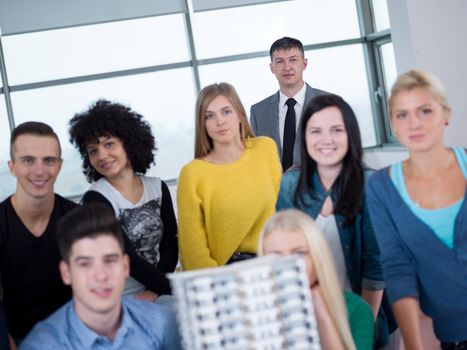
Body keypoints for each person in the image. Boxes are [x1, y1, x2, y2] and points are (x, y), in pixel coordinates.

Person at [276, 94, 394, 347]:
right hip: (306, 319)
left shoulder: (371, 185)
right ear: (304, 138)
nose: (326, 140)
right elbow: (279, 262)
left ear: (350, 134)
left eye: (336, 130)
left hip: (361, 312)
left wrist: (363, 327)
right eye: (315, 131)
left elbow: (375, 268)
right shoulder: (289, 185)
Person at [366, 70, 467, 349]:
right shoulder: (381, 187)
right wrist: (413, 344)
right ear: (394, 126)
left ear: (445, 114)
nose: (414, 123)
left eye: (425, 111)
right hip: (454, 337)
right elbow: (398, 268)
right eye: (402, 115)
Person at [20, 203, 182, 350]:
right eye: (85, 264)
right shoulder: (41, 345)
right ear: (67, 273)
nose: (100, 276)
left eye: (110, 260)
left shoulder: (161, 322)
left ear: (125, 266)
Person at [69, 100, 177, 298]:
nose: (102, 155)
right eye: (93, 150)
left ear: (129, 142)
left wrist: (157, 290)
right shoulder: (96, 199)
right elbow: (128, 258)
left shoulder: (157, 187)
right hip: (120, 298)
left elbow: (170, 244)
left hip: (157, 290)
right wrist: (174, 290)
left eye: (109, 144)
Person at [177, 82, 281, 270]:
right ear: (202, 124)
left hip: (274, 262)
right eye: (209, 116)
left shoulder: (265, 148)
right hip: (225, 274)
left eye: (226, 111)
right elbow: (192, 251)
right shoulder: (192, 174)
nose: (220, 122)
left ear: (240, 114)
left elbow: (282, 211)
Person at [0, 122, 76, 342]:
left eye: (49, 161)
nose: (39, 171)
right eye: (28, 160)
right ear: (12, 166)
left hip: (75, 336)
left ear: (59, 166)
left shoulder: (77, 220)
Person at [259, 209, 374, 350]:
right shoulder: (252, 312)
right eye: (276, 257)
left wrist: (323, 317)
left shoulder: (356, 309)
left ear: (317, 256)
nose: (288, 266)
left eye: (299, 253)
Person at [250, 36, 329, 171]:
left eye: (293, 60)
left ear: (304, 64)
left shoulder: (329, 103)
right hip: (275, 189)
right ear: (272, 67)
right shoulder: (258, 111)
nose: (287, 67)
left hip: (319, 186)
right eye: (280, 61)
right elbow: (256, 158)